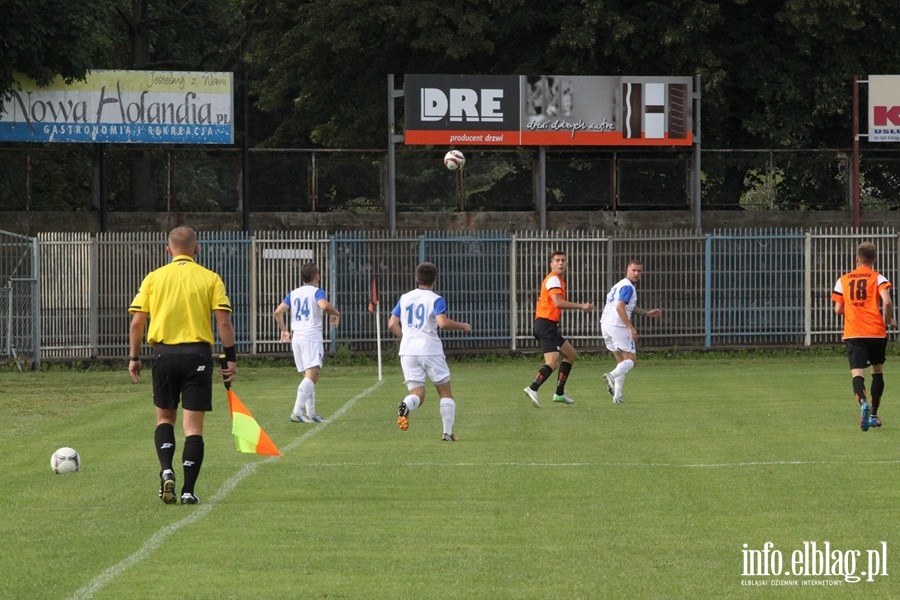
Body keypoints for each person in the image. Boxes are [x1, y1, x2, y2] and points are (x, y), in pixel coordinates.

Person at [128, 226, 236, 506]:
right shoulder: (210, 278)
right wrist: (230, 357)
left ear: (169, 250)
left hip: (163, 355)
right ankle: (188, 491)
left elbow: (137, 322)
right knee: (193, 428)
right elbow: (223, 322)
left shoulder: (154, 278)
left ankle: (166, 469)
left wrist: (134, 357)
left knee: (164, 419)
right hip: (197, 356)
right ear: (197, 249)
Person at [388, 262, 471, 441]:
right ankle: (447, 433)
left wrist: (406, 338)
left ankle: (405, 405)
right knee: (445, 393)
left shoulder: (405, 298)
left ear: (417, 278)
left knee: (417, 395)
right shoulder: (436, 299)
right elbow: (442, 322)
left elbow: (392, 323)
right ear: (435, 278)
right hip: (429, 349)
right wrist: (462, 325)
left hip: (408, 351)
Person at [832, 242, 895, 431]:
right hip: (875, 332)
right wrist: (889, 319)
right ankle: (874, 414)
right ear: (874, 259)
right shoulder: (877, 278)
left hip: (854, 333)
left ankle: (863, 404)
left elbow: (837, 309)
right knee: (878, 371)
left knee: (857, 373)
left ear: (857, 259)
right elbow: (887, 301)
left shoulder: (843, 279)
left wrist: (851, 309)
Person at [523, 250, 594, 408]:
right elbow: (558, 302)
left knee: (570, 354)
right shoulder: (553, 280)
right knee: (553, 362)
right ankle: (533, 388)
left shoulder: (559, 281)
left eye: (563, 260)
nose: (560, 263)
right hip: (545, 324)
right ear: (551, 264)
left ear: (566, 263)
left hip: (549, 325)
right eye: (557, 260)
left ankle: (559, 393)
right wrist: (582, 306)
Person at [275, 262, 341, 424]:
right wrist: (336, 313)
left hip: (297, 337)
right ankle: (297, 411)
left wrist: (284, 330)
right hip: (311, 336)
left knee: (312, 376)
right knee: (311, 375)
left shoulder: (294, 293)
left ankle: (311, 413)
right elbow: (324, 306)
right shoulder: (317, 292)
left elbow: (278, 312)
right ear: (317, 276)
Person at [600, 259, 663, 404]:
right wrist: (630, 327)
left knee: (622, 362)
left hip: (606, 325)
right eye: (633, 270)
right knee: (632, 361)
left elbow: (627, 306)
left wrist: (646, 313)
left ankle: (618, 396)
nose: (636, 273)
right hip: (618, 326)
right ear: (627, 270)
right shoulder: (628, 287)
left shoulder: (619, 285)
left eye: (639, 271)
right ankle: (611, 375)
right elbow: (620, 307)